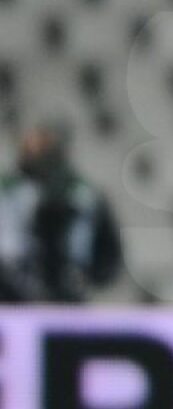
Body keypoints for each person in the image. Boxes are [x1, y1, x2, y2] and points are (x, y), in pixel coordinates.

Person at [0, 120, 122, 303]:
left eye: (44, 144)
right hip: (13, 294)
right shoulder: (8, 190)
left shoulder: (83, 194)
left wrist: (90, 274)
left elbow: (108, 249)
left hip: (68, 293)